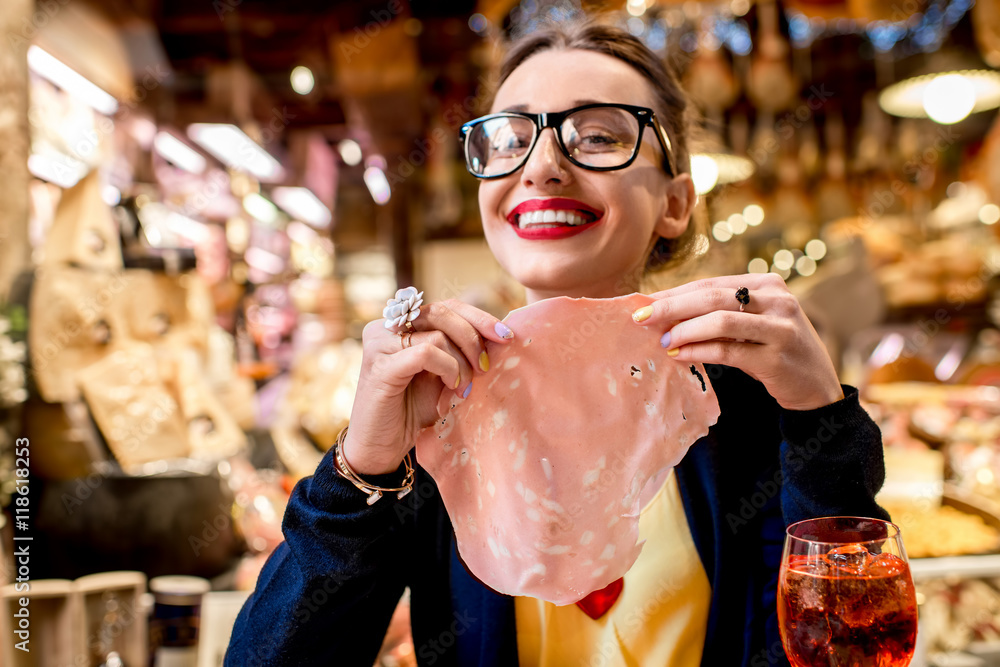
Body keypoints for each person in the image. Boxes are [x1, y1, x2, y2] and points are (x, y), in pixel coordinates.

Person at [226, 17, 887, 667]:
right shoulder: (442, 402)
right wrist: (361, 467)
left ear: (676, 203)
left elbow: (844, 649)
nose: (542, 166)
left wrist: (819, 414)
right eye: (510, 138)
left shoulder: (734, 399)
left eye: (598, 136)